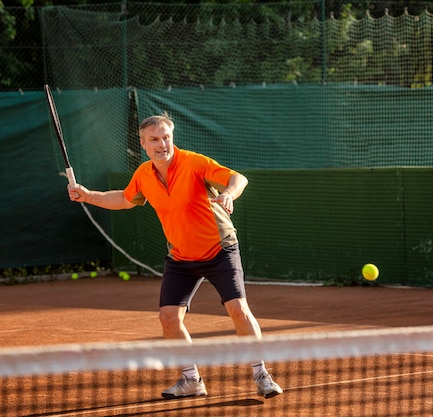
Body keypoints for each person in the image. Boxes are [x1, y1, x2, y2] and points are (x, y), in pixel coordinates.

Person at [67, 112, 283, 399]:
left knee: (238, 310)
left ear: (172, 138)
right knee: (168, 317)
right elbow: (123, 199)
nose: (162, 144)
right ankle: (191, 380)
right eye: (154, 139)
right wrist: (88, 195)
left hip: (220, 249)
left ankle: (261, 374)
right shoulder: (143, 174)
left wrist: (229, 193)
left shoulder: (193, 162)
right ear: (143, 144)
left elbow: (237, 178)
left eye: (166, 137)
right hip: (181, 257)